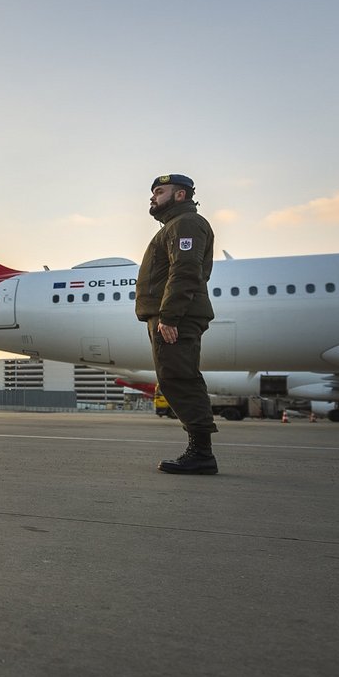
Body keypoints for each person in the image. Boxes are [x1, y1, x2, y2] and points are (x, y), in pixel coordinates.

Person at [138, 173, 219, 474]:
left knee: (180, 378)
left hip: (176, 316)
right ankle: (200, 451)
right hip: (173, 313)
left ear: (180, 195)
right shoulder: (175, 225)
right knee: (176, 377)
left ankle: (201, 454)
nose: (153, 197)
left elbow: (185, 269)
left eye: (160, 191)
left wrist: (170, 316)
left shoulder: (185, 224)